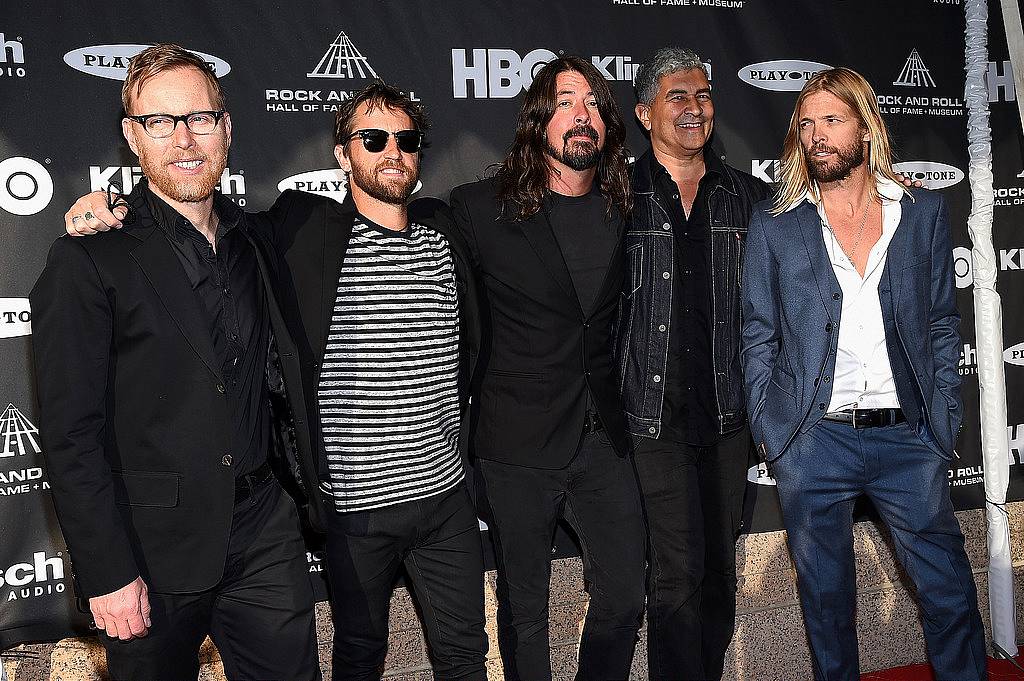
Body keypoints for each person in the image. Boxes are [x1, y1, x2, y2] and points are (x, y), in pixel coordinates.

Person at [63, 80, 488, 681]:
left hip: (442, 498)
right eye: (373, 138)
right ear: (342, 154)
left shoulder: (446, 231)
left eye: (405, 139)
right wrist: (110, 204)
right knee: (358, 655)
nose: (391, 151)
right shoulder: (295, 229)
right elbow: (176, 219)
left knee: (466, 657)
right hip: (353, 506)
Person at [31, 43, 319, 680]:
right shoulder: (88, 261)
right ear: (134, 136)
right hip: (150, 547)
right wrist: (106, 572)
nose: (184, 139)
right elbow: (71, 435)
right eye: (161, 122)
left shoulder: (257, 241)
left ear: (226, 129)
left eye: (200, 118)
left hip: (264, 531)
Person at [741, 67, 986, 680]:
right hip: (815, 440)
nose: (816, 136)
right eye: (806, 124)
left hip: (907, 439)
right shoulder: (778, 227)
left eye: (831, 120)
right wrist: (778, 436)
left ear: (866, 126)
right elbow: (758, 332)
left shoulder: (921, 215)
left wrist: (941, 423)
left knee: (948, 591)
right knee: (826, 608)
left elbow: (938, 325)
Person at [445, 57, 646, 681]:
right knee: (525, 610)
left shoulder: (628, 210)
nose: (581, 115)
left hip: (602, 439)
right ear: (538, 120)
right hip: (516, 445)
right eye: (565, 102)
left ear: (607, 127)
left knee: (624, 595)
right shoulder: (480, 211)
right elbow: (395, 219)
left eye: (592, 104)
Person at [615, 47, 769, 681]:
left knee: (717, 571)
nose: (694, 107)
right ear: (645, 112)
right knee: (676, 573)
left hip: (728, 420)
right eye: (677, 96)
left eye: (703, 95)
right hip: (652, 421)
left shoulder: (749, 198)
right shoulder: (617, 195)